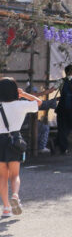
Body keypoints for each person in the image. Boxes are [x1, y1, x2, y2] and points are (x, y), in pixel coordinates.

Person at [0, 78, 43, 217]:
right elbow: (38, 102)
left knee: (2, 176)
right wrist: (23, 94)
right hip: (15, 140)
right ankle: (15, 196)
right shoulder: (20, 105)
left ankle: (6, 208)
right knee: (15, 175)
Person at [54, 64, 72, 155]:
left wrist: (39, 94)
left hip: (61, 107)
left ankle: (56, 143)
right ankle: (63, 147)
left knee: (61, 127)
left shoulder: (60, 81)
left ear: (65, 72)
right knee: (69, 127)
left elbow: (51, 90)